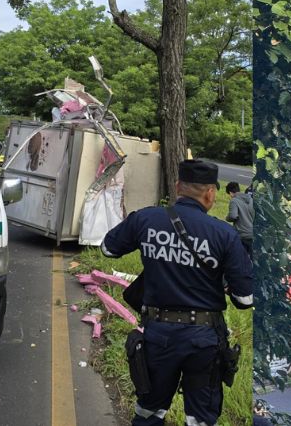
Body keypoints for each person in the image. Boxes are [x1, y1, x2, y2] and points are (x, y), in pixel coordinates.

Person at [102, 160, 254, 426]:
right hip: (203, 340)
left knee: (149, 411)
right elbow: (245, 300)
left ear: (177, 187)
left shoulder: (146, 219)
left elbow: (107, 249)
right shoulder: (225, 235)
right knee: (200, 419)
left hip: (158, 334)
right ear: (210, 193)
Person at [224, 182, 254, 251]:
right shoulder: (251, 200)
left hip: (242, 235)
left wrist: (227, 218)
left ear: (230, 192)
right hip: (252, 234)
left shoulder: (234, 201)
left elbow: (233, 216)